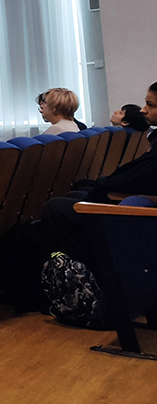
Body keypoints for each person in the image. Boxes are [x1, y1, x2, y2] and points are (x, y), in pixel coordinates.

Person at [39, 82, 157, 268]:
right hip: (131, 199)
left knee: (54, 207)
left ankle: (85, 272)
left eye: (150, 105)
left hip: (129, 211)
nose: (143, 109)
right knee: (75, 194)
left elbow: (135, 177)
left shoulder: (54, 135)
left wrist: (101, 185)